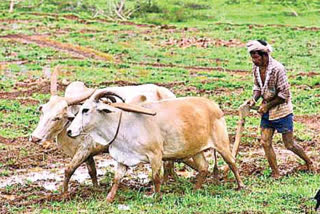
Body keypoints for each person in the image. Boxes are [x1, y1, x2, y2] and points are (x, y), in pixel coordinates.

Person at [245, 40, 313, 178]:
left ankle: (309, 163)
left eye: (256, 57)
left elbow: (284, 95)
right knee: (265, 142)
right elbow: (258, 87)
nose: (254, 61)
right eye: (252, 57)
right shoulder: (256, 69)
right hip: (267, 111)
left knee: (289, 144)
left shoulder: (277, 69)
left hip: (282, 111)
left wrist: (267, 106)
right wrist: (254, 99)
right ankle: (276, 173)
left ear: (264, 55)